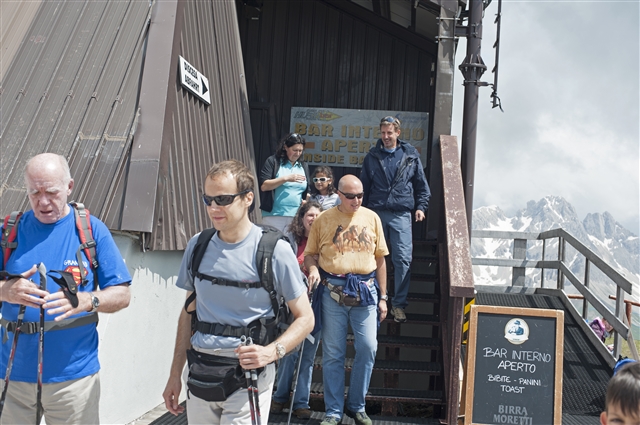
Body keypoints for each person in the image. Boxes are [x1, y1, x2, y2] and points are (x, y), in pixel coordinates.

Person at [162, 160, 314, 424]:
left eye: (222, 199)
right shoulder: (197, 246)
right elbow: (187, 314)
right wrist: (175, 374)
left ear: (248, 198)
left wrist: (272, 352)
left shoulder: (274, 251)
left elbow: (306, 318)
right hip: (200, 374)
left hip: (249, 378)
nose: (213, 208)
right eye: (207, 199)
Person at [0, 153, 132, 424]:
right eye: (34, 192)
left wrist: (86, 301)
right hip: (12, 377)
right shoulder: (8, 231)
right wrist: (5, 291)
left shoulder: (91, 230)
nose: (43, 201)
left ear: (69, 187)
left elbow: (122, 294)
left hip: (73, 380)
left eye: (51, 191)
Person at [304, 175, 389, 425]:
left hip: (366, 290)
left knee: (368, 347)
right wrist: (312, 269)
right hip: (333, 290)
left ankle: (356, 405)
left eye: (360, 196)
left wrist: (384, 297)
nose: (356, 200)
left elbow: (381, 259)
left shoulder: (372, 217)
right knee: (333, 353)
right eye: (351, 196)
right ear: (338, 194)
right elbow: (310, 254)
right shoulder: (324, 219)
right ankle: (333, 411)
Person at [360, 115, 431, 323]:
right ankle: (372, 299)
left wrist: (421, 207)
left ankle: (398, 305)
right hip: (376, 214)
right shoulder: (372, 156)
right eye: (382, 133)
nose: (385, 136)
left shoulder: (410, 155)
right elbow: (363, 187)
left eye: (389, 133)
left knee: (402, 260)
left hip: (401, 214)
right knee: (370, 257)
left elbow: (422, 187)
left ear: (398, 133)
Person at [271, 201, 323, 419]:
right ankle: (279, 397)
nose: (313, 219)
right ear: (301, 218)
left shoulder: (327, 241)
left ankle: (301, 402)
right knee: (288, 353)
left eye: (318, 216)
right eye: (309, 215)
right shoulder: (290, 241)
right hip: (292, 305)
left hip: (317, 305)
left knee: (307, 356)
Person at [259, 133, 311, 233]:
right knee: (272, 245)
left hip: (295, 216)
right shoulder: (273, 161)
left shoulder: (303, 165)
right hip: (274, 215)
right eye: (295, 150)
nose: (298, 153)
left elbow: (307, 190)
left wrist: (306, 201)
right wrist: (285, 178)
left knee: (291, 246)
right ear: (285, 147)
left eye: (300, 150)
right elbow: (264, 186)